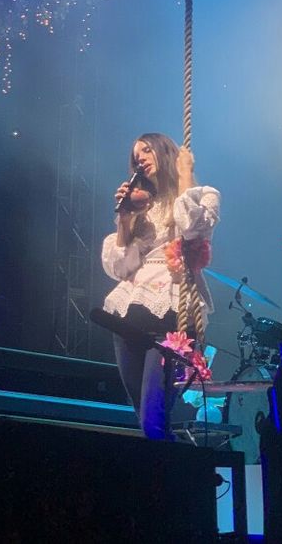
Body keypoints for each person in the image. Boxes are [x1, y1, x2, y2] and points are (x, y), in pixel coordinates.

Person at [101, 133, 219, 439]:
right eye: (134, 154)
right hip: (129, 318)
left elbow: (192, 229)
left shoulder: (203, 195)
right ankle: (171, 472)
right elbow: (120, 268)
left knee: (154, 417)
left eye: (146, 149)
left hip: (172, 314)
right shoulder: (141, 207)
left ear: (164, 153)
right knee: (144, 418)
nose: (139, 156)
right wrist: (125, 219)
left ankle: (177, 475)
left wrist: (185, 174)